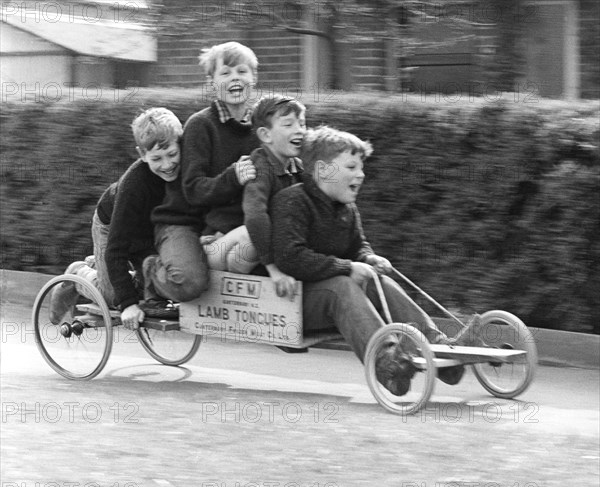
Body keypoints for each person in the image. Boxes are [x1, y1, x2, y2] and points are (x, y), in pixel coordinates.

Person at [272, 126, 481, 395]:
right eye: (351, 167)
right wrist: (347, 267)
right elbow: (290, 257)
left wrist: (368, 258)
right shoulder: (293, 201)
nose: (361, 174)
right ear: (324, 170)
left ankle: (441, 352)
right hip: (293, 303)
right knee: (342, 285)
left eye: (361, 167)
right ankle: (386, 362)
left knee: (376, 279)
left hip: (329, 298)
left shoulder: (347, 209)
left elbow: (357, 247)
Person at [48, 107, 183, 330]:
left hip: (147, 230)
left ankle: (101, 267)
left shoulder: (187, 167)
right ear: (142, 155)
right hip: (111, 227)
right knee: (114, 297)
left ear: (181, 143)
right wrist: (128, 305)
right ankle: (78, 274)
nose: (167, 165)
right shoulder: (134, 185)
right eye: (156, 158)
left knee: (155, 286)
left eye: (172, 154)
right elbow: (116, 248)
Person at [147, 41, 260, 299]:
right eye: (225, 73)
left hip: (225, 226)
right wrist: (233, 177)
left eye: (242, 72)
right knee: (192, 281)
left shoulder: (260, 126)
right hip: (186, 221)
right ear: (211, 82)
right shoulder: (201, 125)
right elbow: (194, 190)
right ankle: (151, 271)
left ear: (254, 78)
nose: (235, 78)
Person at [202, 94, 305, 298]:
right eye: (289, 124)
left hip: (244, 250)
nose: (299, 130)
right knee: (256, 232)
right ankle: (246, 288)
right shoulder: (260, 166)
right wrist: (274, 269)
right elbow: (255, 216)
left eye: (302, 123)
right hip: (219, 247)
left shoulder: (296, 168)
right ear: (266, 135)